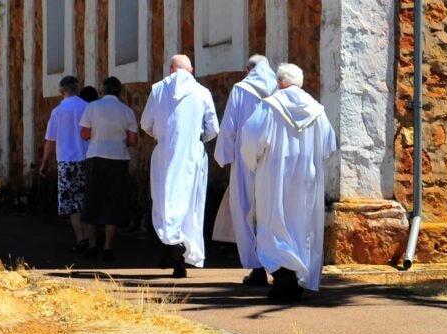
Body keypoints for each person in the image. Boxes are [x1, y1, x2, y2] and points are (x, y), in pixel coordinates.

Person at [239, 63, 336, 302]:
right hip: (306, 178)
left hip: (274, 175)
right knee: (301, 225)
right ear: (300, 82)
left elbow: (251, 140)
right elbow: (329, 145)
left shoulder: (270, 106)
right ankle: (297, 277)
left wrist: (254, 163)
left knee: (274, 221)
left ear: (280, 82)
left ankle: (283, 275)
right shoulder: (317, 109)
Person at [141, 54, 219, 280]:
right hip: (192, 156)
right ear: (191, 70)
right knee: (190, 203)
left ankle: (171, 244)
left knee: (165, 199)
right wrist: (196, 139)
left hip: (165, 153)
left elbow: (146, 123)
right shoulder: (202, 92)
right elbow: (213, 128)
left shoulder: (158, 89)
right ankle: (183, 251)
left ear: (171, 69)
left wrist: (163, 136)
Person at [212, 54, 279, 286]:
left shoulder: (241, 90)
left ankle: (257, 267)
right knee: (270, 210)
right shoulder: (277, 88)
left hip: (245, 161)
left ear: (247, 70)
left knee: (246, 210)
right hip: (272, 160)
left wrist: (225, 157)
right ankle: (278, 265)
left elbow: (229, 127)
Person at [80, 76, 139, 262]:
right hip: (118, 159)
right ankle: (108, 247)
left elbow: (84, 133)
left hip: (96, 156)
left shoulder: (92, 107)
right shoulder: (127, 111)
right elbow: (133, 140)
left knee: (93, 199)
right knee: (113, 202)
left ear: (102, 91)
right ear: (119, 91)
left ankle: (91, 244)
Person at [40, 75, 92, 253]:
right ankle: (89, 237)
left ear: (62, 92)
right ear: (77, 88)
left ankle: (81, 238)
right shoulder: (87, 107)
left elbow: (50, 140)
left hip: (66, 161)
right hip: (87, 159)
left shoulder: (57, 111)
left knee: (72, 203)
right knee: (85, 199)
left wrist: (44, 162)